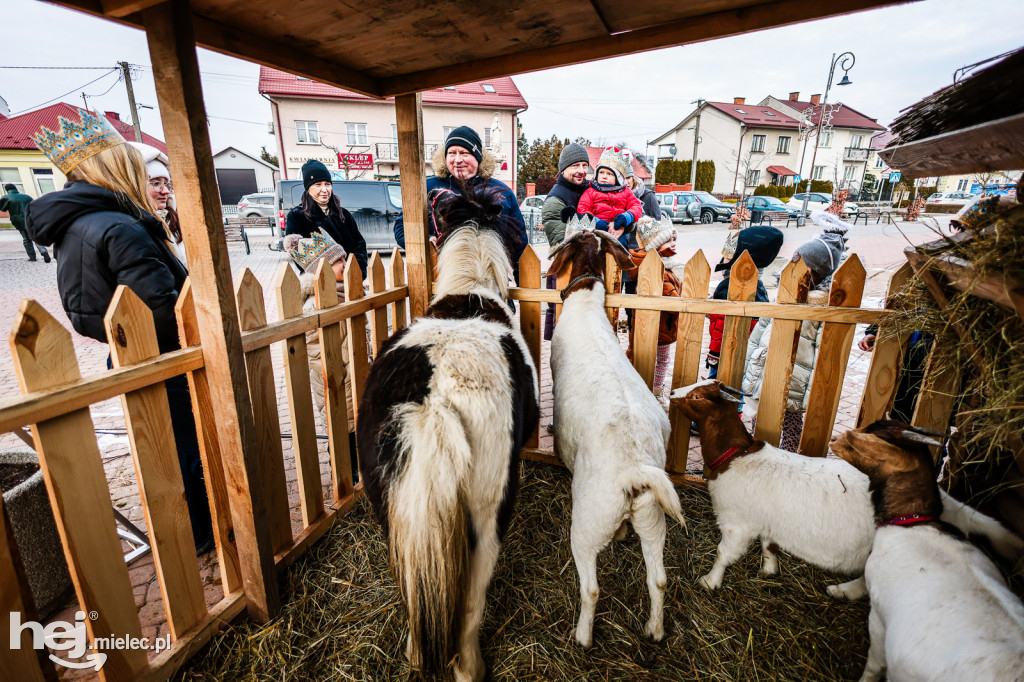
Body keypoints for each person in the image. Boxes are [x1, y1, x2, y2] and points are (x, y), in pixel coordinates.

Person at [25, 108, 213, 553]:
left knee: (160, 451)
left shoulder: (80, 224)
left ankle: (191, 530)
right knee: (188, 451)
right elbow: (160, 309)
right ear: (115, 166)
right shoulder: (121, 226)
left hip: (128, 354)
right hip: (165, 358)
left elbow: (86, 310)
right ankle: (204, 530)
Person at [742, 214, 850, 450]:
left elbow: (822, 350)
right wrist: (750, 362)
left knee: (791, 422)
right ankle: (759, 451)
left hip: (796, 379)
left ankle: (788, 455)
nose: (793, 267)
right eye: (793, 261)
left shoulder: (820, 307)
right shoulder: (782, 296)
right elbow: (760, 331)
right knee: (760, 414)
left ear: (817, 272)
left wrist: (812, 388)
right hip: (766, 366)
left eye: (802, 265)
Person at [393, 126, 527, 277]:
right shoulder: (426, 188)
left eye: (464, 153)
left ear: (477, 157)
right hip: (440, 280)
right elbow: (401, 228)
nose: (457, 160)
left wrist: (522, 282)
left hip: (489, 279)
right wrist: (427, 241)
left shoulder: (501, 192)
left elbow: (519, 241)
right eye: (451, 153)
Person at [705, 225, 784, 380]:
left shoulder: (728, 287)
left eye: (728, 254)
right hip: (746, 353)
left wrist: (714, 355)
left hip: (725, 351)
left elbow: (722, 324)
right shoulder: (759, 287)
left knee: (716, 384)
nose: (724, 258)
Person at [625, 216, 682, 404]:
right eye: (668, 241)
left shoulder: (666, 267)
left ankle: (648, 391)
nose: (673, 244)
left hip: (659, 325)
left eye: (674, 239)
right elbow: (674, 302)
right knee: (659, 361)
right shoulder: (659, 271)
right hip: (658, 327)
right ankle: (655, 393)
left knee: (648, 360)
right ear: (656, 247)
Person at [286, 159, 368, 279]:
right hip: (322, 281)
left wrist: (358, 270)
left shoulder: (343, 214)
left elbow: (359, 244)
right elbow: (299, 256)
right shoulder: (297, 216)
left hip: (351, 277)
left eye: (327, 184)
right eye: (318, 184)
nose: (324, 190)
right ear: (308, 188)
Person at [541, 142, 590, 340]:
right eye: (575, 166)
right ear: (563, 169)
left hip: (589, 272)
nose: (581, 171)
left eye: (584, 165)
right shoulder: (555, 199)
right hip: (566, 272)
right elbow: (561, 241)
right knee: (566, 334)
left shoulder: (590, 191)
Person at [129, 141, 186, 264]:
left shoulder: (173, 222)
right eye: (156, 183)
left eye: (166, 183)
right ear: (135, 187)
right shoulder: (131, 229)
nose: (166, 191)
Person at [574, 146, 642, 240]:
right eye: (601, 172)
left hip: (617, 231)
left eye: (609, 174)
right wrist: (596, 222)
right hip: (596, 231)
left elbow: (636, 207)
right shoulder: (590, 191)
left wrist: (626, 217)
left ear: (618, 178)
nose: (604, 176)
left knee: (621, 245)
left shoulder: (626, 192)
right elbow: (582, 209)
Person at [1, 183, 50, 262]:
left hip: (18, 220)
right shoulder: (26, 197)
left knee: (26, 239)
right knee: (34, 236)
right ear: (15, 188)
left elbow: (3, 209)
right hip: (30, 219)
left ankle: (32, 257)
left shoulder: (6, 198)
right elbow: (35, 206)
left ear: (7, 190)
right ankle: (43, 250)